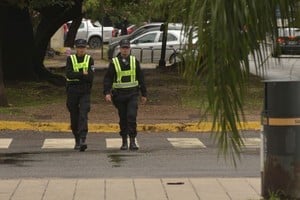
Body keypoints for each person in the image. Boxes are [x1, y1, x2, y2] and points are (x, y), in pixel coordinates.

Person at [103, 39, 147, 150]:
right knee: (123, 118)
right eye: (123, 48)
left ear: (130, 49)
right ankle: (124, 141)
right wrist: (107, 92)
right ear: (120, 49)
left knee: (131, 116)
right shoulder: (114, 62)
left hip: (132, 94)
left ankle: (132, 141)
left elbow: (141, 77)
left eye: (127, 48)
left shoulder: (134, 61)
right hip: (119, 95)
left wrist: (144, 94)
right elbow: (108, 78)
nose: (125, 50)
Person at [65, 39, 95, 151]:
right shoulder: (70, 59)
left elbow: (90, 77)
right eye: (79, 47)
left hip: (85, 91)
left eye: (83, 47)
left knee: (83, 114)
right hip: (72, 90)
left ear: (86, 48)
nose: (81, 49)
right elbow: (69, 74)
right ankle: (77, 139)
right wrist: (82, 73)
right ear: (76, 48)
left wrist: (78, 75)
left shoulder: (89, 59)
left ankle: (83, 139)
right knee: (74, 116)